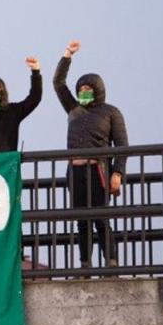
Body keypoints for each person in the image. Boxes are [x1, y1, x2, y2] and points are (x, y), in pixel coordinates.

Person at [54, 40, 129, 268]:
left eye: (88, 89)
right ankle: (85, 264)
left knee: (101, 218)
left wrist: (118, 173)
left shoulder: (110, 112)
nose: (83, 92)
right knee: (81, 222)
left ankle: (111, 263)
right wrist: (67, 56)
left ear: (98, 90)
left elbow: (122, 145)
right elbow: (58, 83)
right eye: (81, 90)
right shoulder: (74, 109)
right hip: (75, 171)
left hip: (99, 170)